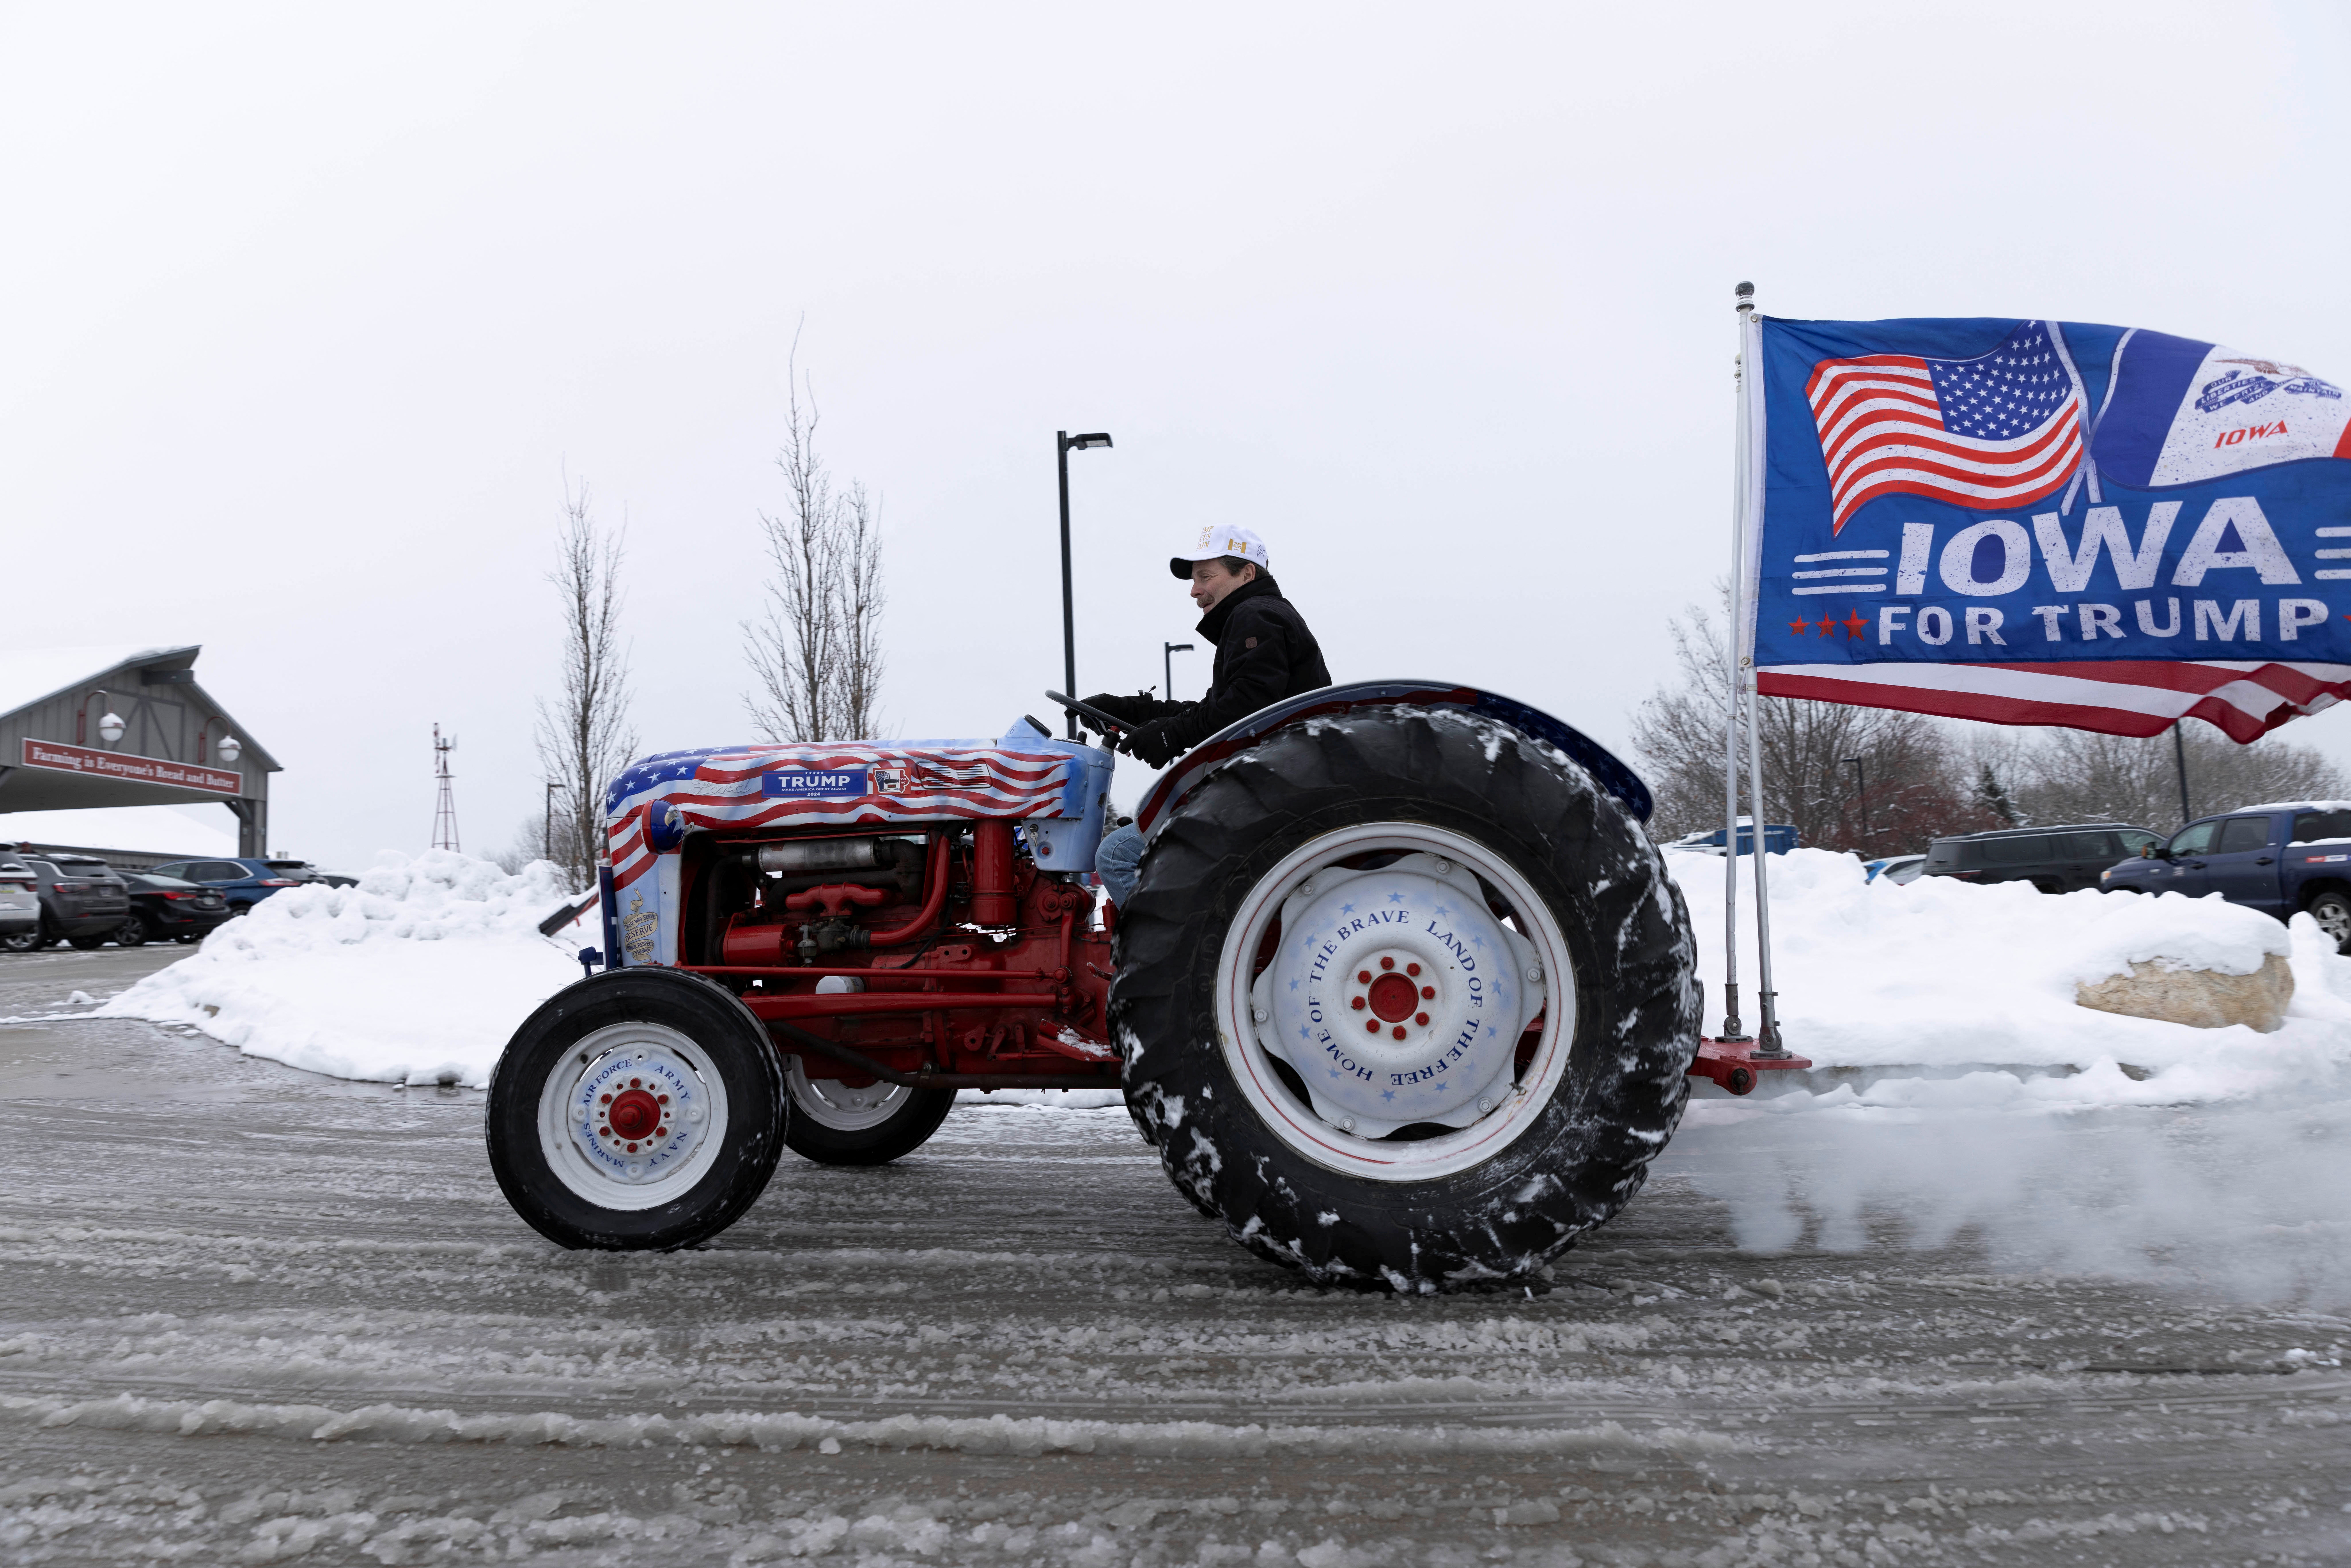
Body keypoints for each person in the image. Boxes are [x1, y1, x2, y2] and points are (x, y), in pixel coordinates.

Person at [1084, 526, 1331, 908]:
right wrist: (1131, 709)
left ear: (1247, 575)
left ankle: (1173, 964)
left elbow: (1243, 711)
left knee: (1117, 855)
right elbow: (1218, 710)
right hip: (1271, 784)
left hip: (1271, 791)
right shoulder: (1258, 618)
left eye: (1206, 576)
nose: (1194, 590)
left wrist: (1168, 736)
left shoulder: (1257, 617)